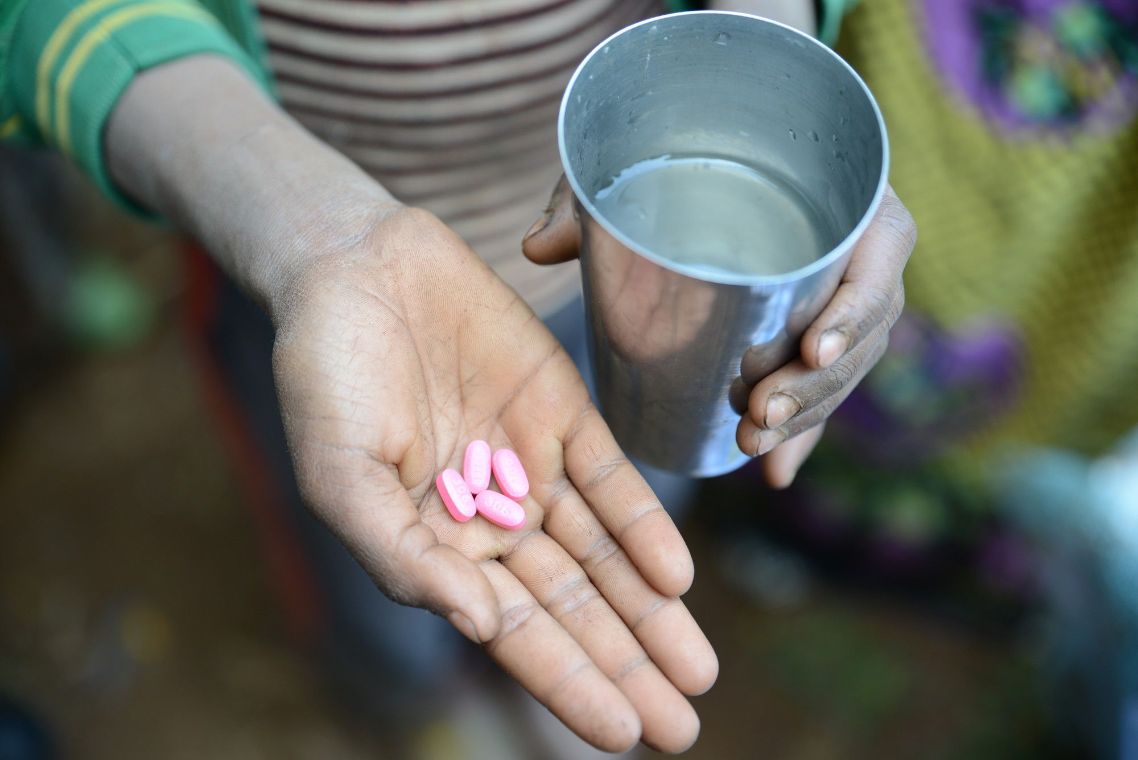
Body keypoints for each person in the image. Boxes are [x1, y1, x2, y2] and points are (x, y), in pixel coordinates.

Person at [0, 0, 914, 753]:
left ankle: (513, 687)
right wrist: (316, 246)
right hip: (285, 266)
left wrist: (770, 77)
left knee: (625, 499)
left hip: (639, 271)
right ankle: (404, 701)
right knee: (371, 586)